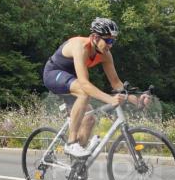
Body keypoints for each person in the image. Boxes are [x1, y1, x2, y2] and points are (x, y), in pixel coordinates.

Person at [42, 18, 149, 158]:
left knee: (89, 119)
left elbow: (116, 84)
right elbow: (85, 84)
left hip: (72, 81)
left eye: (113, 41)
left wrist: (137, 100)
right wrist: (110, 99)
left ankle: (77, 162)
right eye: (108, 41)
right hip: (53, 74)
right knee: (84, 92)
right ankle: (71, 142)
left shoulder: (106, 55)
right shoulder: (80, 46)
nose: (110, 45)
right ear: (94, 37)